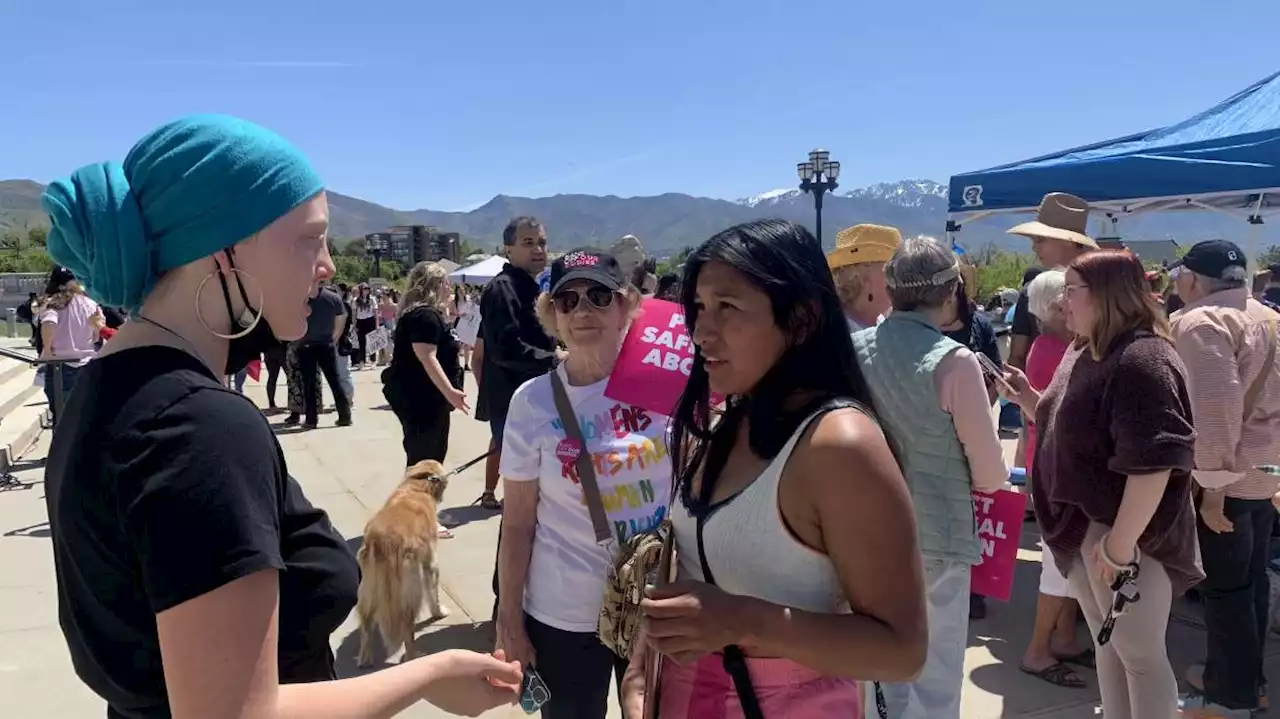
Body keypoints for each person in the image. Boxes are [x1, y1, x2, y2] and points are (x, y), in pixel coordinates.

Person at [40, 113, 521, 719]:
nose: (328, 267)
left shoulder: (108, 384)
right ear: (224, 248)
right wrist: (431, 674)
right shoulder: (199, 427)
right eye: (307, 239)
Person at [625, 219, 928, 719]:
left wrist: (743, 620)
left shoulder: (839, 445)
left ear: (803, 318)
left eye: (728, 308)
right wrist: (645, 664)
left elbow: (903, 650)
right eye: (699, 307)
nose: (701, 332)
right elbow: (697, 573)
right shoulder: (735, 417)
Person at [1000, 249, 1200, 719]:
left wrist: (1119, 546)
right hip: (1088, 531)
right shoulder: (1085, 347)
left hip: (1125, 538)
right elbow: (1066, 427)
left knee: (1140, 658)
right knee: (1111, 647)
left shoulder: (1142, 358)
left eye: (1072, 291)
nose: (1061, 303)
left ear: (1108, 294)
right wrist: (1028, 399)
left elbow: (1155, 463)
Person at [495, 248, 670, 717]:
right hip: (564, 614)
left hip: (656, 603)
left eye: (598, 296)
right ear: (552, 315)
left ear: (626, 305)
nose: (583, 311)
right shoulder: (532, 403)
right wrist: (509, 617)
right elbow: (516, 524)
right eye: (567, 300)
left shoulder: (667, 388)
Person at [850, 236, 1008, 719]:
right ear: (950, 292)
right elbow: (989, 471)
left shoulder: (854, 349)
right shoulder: (954, 361)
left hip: (861, 532)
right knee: (934, 673)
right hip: (936, 533)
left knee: (874, 668)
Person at [1168, 240, 1280, 717]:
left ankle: (1228, 699)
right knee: (1250, 584)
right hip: (1263, 474)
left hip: (1226, 481)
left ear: (1193, 279)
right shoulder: (1270, 317)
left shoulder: (1201, 321)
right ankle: (1242, 680)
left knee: (1226, 593)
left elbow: (1215, 412)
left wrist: (1211, 494)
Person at [1015, 269, 1094, 688]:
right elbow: (1051, 414)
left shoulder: (1057, 346)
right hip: (1056, 467)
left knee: (1067, 561)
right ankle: (1039, 649)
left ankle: (1061, 638)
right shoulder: (1053, 350)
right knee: (1057, 564)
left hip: (1055, 464)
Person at [481, 217, 558, 609]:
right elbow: (506, 349)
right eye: (528, 242)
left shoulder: (534, 287)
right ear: (508, 249)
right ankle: (504, 598)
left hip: (536, 402)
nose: (538, 249)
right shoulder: (502, 289)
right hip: (516, 406)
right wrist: (554, 358)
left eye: (542, 241)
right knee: (519, 505)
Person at [383, 262, 467, 466]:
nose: (449, 288)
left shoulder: (423, 314)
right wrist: (450, 392)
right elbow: (427, 356)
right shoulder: (425, 316)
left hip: (426, 398)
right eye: (446, 282)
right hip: (423, 399)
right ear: (436, 284)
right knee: (425, 461)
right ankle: (415, 498)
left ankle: (420, 497)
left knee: (429, 457)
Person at [38, 266, 104, 422]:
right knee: (84, 418)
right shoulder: (90, 303)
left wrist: (47, 349)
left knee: (61, 418)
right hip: (87, 363)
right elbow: (97, 332)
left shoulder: (54, 303)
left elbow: (49, 322)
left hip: (60, 366)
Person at [292, 282, 352, 429]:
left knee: (309, 384)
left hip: (305, 344)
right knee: (335, 380)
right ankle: (344, 415)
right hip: (326, 344)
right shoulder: (333, 297)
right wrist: (334, 337)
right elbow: (342, 315)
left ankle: (311, 419)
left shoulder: (300, 298)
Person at [828, 223, 900, 331]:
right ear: (866, 274)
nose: (902, 280)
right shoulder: (832, 332)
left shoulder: (886, 325)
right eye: (894, 270)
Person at [351, 283, 378, 369]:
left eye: (367, 289)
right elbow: (354, 313)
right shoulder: (356, 300)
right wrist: (354, 324)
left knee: (372, 341)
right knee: (361, 342)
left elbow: (375, 312)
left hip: (370, 320)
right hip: (360, 321)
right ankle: (362, 361)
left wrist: (377, 324)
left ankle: (373, 360)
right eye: (364, 289)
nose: (366, 291)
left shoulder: (372, 299)